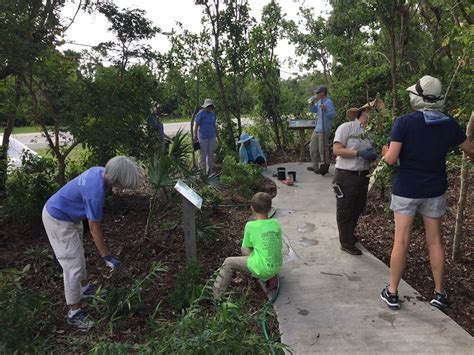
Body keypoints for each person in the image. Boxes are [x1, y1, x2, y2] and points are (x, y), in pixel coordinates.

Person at [380, 75, 474, 311]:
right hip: (434, 190)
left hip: (406, 189)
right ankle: (440, 293)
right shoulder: (448, 124)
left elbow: (391, 159)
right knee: (435, 242)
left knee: (401, 240)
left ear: (417, 97)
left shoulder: (404, 122)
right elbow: (470, 149)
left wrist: (385, 152)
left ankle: (392, 292)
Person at [42, 156, 142, 330]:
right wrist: (107, 257)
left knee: (78, 255)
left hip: (70, 216)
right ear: (116, 179)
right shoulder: (95, 193)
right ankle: (74, 312)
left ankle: (83, 287)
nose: (123, 188)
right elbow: (95, 229)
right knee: (73, 265)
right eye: (124, 184)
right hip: (58, 219)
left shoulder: (99, 171)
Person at [212, 192, 282, 298]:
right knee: (265, 249)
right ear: (270, 209)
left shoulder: (251, 226)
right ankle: (269, 277)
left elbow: (245, 248)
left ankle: (216, 297)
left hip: (263, 267)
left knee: (229, 262)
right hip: (277, 265)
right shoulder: (276, 223)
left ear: (252, 208)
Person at [332, 102, 378, 255]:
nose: (375, 115)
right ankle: (346, 243)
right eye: (372, 112)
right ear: (363, 112)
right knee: (345, 209)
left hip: (363, 175)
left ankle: (348, 235)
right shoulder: (347, 128)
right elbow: (337, 150)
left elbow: (373, 153)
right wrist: (357, 153)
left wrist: (373, 156)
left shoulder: (371, 133)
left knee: (358, 207)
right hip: (345, 175)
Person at [308, 85, 336, 176]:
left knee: (323, 149)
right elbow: (313, 110)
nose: (316, 94)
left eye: (317, 92)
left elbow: (332, 115)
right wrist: (311, 104)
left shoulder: (328, 102)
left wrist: (326, 109)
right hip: (318, 128)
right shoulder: (319, 101)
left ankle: (325, 166)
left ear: (323, 93)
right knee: (312, 146)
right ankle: (315, 166)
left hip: (324, 129)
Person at [193, 99, 217, 173]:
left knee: (210, 154)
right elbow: (196, 125)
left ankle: (210, 172)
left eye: (211, 106)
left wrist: (217, 136)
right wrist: (195, 136)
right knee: (203, 154)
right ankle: (202, 172)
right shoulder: (200, 114)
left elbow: (214, 125)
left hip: (212, 136)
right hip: (203, 137)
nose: (209, 108)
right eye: (208, 106)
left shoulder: (213, 114)